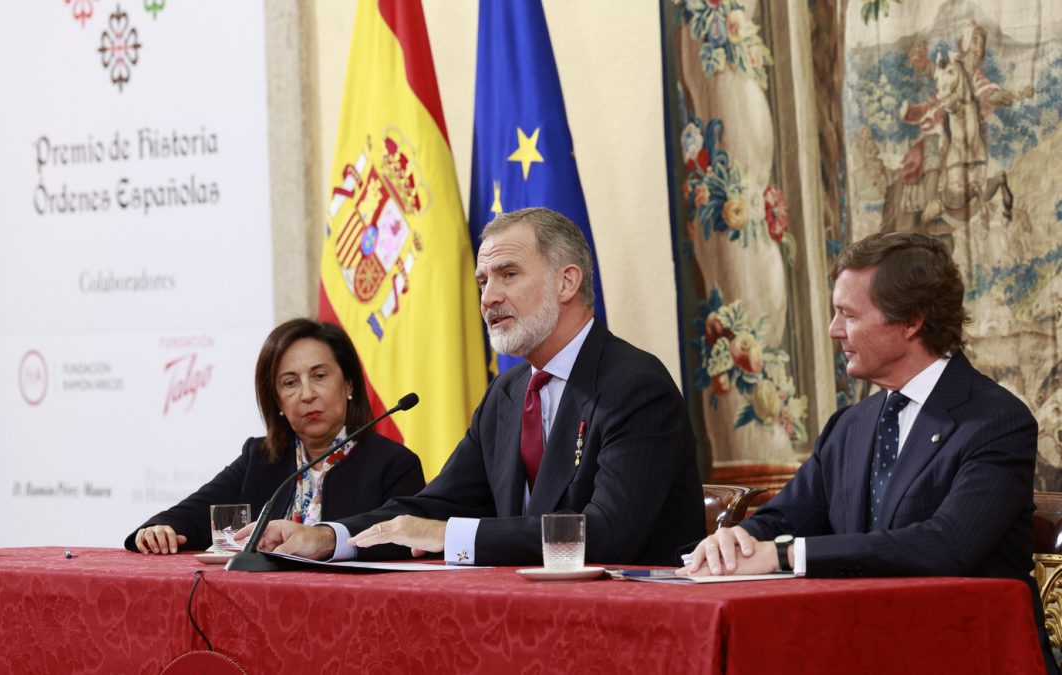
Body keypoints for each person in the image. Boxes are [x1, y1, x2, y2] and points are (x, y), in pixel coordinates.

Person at [239, 207, 706, 565]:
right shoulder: (506, 394)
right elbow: (435, 503)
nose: (488, 298)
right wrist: (330, 536)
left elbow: (607, 533)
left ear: (567, 282)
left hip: (630, 627)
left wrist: (451, 536)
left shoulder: (635, 386)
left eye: (508, 275)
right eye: (482, 281)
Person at [680, 232, 1056, 674]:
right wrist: (737, 540)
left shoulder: (994, 421)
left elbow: (947, 546)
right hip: (858, 650)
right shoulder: (850, 426)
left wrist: (785, 555)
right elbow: (785, 518)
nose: (833, 330)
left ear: (912, 321)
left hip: (964, 656)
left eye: (848, 315)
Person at [124, 319, 425, 554]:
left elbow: (403, 543)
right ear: (278, 402)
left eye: (319, 377)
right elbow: (188, 518)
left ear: (348, 385)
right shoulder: (261, 459)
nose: (307, 394)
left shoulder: (394, 465)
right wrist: (159, 529)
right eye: (290, 383)